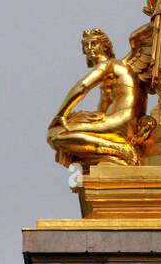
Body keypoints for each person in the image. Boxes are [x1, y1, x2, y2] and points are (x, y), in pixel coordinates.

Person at [47, 29, 151, 167]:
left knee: (55, 136)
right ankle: (108, 151)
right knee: (63, 130)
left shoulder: (111, 65)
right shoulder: (109, 81)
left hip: (122, 124)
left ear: (105, 46)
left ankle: (117, 149)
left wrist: (61, 114)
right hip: (119, 123)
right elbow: (101, 113)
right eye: (86, 45)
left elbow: (84, 85)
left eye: (94, 43)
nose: (90, 48)